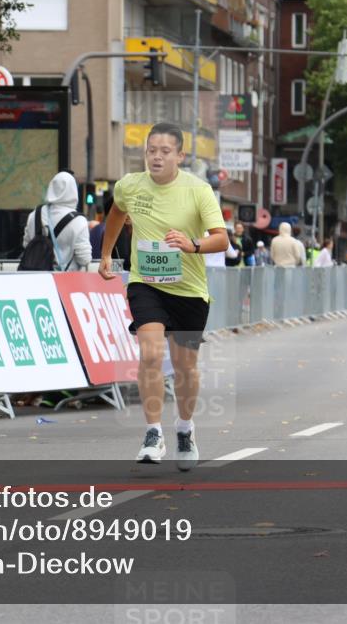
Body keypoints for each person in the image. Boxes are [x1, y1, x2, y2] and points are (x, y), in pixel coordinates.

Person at [98, 122, 228, 470]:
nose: (156, 157)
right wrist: (107, 253)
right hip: (147, 284)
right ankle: (153, 433)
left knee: (185, 367)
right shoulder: (129, 185)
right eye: (151, 150)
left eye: (164, 151)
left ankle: (185, 429)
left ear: (180, 156)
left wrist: (192, 244)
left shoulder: (198, 191)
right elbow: (116, 213)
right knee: (151, 353)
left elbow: (222, 238)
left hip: (188, 290)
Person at [22, 171, 91, 271]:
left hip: (35, 278)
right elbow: (84, 259)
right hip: (65, 281)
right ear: (73, 190)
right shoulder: (79, 221)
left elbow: (26, 245)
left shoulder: (34, 215)